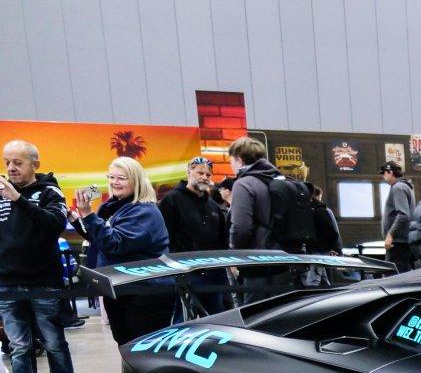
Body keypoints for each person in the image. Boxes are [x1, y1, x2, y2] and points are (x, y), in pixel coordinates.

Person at [0, 140, 78, 373]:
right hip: (7, 282)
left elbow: (55, 225)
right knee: (19, 346)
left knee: (54, 343)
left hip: (43, 281)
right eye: (7, 162)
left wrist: (19, 200)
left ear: (35, 164)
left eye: (17, 162)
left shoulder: (49, 192)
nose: (11, 167)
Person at [73, 157, 172, 345]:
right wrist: (78, 219)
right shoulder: (112, 207)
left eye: (121, 178)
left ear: (136, 180)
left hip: (145, 292)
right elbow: (99, 240)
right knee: (125, 343)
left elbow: (115, 243)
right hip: (120, 289)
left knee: (142, 347)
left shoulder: (144, 211)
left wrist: (89, 215)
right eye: (111, 177)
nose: (114, 182)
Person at [159, 156, 230, 312]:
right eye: (200, 173)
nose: (204, 177)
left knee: (219, 317)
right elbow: (165, 237)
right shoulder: (171, 200)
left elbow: (222, 240)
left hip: (214, 273)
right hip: (184, 273)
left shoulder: (213, 206)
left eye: (208, 174)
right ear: (189, 172)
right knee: (183, 319)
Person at [227, 136, 279, 250]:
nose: (231, 165)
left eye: (231, 161)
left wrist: (234, 251)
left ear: (239, 161)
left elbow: (241, 227)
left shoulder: (243, 184)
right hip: (286, 253)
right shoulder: (279, 180)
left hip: (258, 254)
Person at [380, 162, 416, 273]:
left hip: (398, 243)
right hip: (402, 241)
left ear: (390, 172)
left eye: (384, 173)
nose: (383, 176)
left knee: (393, 276)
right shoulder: (404, 186)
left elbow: (403, 215)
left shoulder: (398, 187)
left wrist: (390, 234)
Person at [308, 185, 342, 254]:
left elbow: (331, 233)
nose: (320, 200)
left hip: (326, 252)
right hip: (329, 252)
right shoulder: (323, 209)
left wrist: (329, 250)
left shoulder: (319, 209)